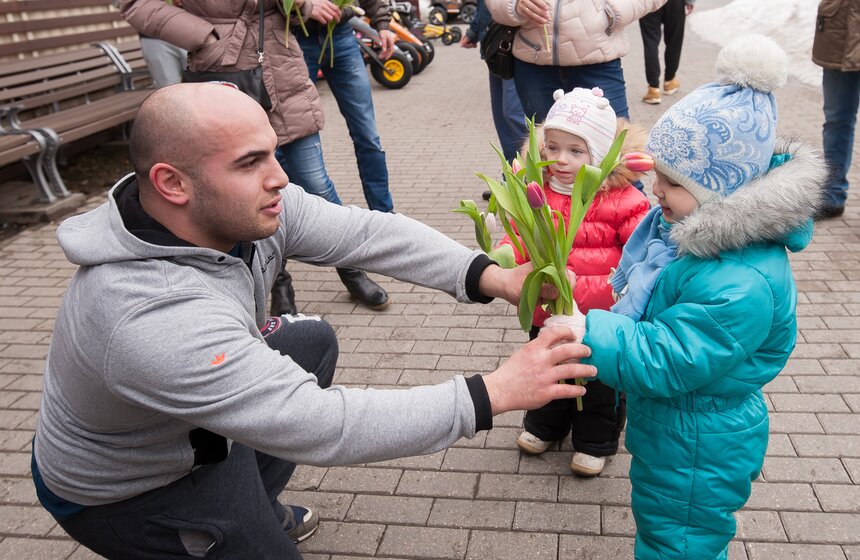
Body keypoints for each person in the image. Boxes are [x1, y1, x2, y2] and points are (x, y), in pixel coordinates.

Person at [31, 82, 596, 559]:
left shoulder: (245, 206)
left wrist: (489, 276)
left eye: (272, 151)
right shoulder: (146, 316)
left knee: (311, 340)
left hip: (197, 421)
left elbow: (367, 233)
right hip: (134, 486)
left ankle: (252, 502)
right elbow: (320, 424)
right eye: (250, 162)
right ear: (172, 184)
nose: (279, 177)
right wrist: (495, 391)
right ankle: (224, 525)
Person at [565, 36, 825, 558]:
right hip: (680, 429)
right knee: (665, 528)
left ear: (716, 191)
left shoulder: (739, 281)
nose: (653, 191)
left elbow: (668, 356)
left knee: (679, 542)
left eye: (670, 182)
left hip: (700, 444)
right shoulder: (694, 242)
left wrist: (588, 332)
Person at [119, 0, 391, 313]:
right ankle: (279, 285)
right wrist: (204, 35)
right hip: (224, 75)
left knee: (318, 186)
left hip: (283, 68)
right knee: (242, 197)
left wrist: (302, 5)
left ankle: (351, 270)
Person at [495, 87, 650, 476]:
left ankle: (594, 440)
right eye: (552, 147)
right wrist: (506, 260)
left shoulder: (624, 199)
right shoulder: (535, 191)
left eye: (576, 151)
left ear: (599, 154)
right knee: (546, 368)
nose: (560, 160)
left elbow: (642, 252)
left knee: (599, 380)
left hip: (600, 314)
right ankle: (544, 425)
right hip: (547, 310)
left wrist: (627, 294)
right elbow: (516, 237)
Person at [485, 0, 665, 122]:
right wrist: (513, 5)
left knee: (616, 160)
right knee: (546, 158)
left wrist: (612, 12)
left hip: (597, 61)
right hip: (533, 65)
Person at [461, 0, 528, 202]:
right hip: (496, 45)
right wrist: (474, 32)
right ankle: (512, 180)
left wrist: (474, 31)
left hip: (517, 43)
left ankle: (531, 180)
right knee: (502, 117)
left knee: (513, 115)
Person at [812, 0, 859, 219]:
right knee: (837, 119)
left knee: (838, 120)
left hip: (838, 27)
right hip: (838, 31)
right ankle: (833, 195)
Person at [638, 0, 695, 105]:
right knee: (674, 40)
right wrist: (690, 1)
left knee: (650, 42)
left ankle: (653, 89)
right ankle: (670, 81)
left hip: (648, 3)